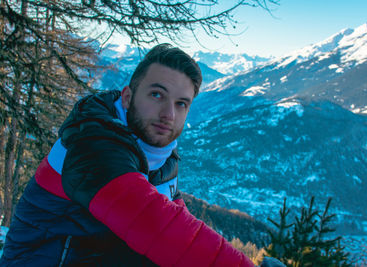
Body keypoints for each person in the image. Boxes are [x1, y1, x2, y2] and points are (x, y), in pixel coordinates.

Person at [0, 44, 254, 266]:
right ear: (127, 97)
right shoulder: (93, 145)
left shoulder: (160, 156)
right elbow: (157, 226)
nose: (169, 114)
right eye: (157, 95)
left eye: (181, 104)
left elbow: (180, 223)